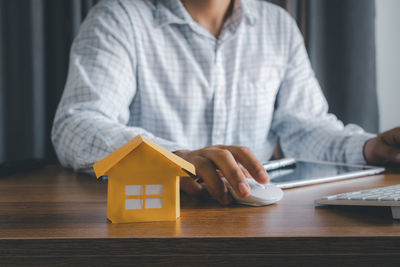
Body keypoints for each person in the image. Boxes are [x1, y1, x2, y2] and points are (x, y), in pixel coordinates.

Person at [52, 0, 400, 205]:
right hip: (153, 223)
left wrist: (369, 149)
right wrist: (175, 157)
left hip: (258, 222)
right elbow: (77, 124)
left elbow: (305, 126)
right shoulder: (118, 18)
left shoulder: (277, 25)